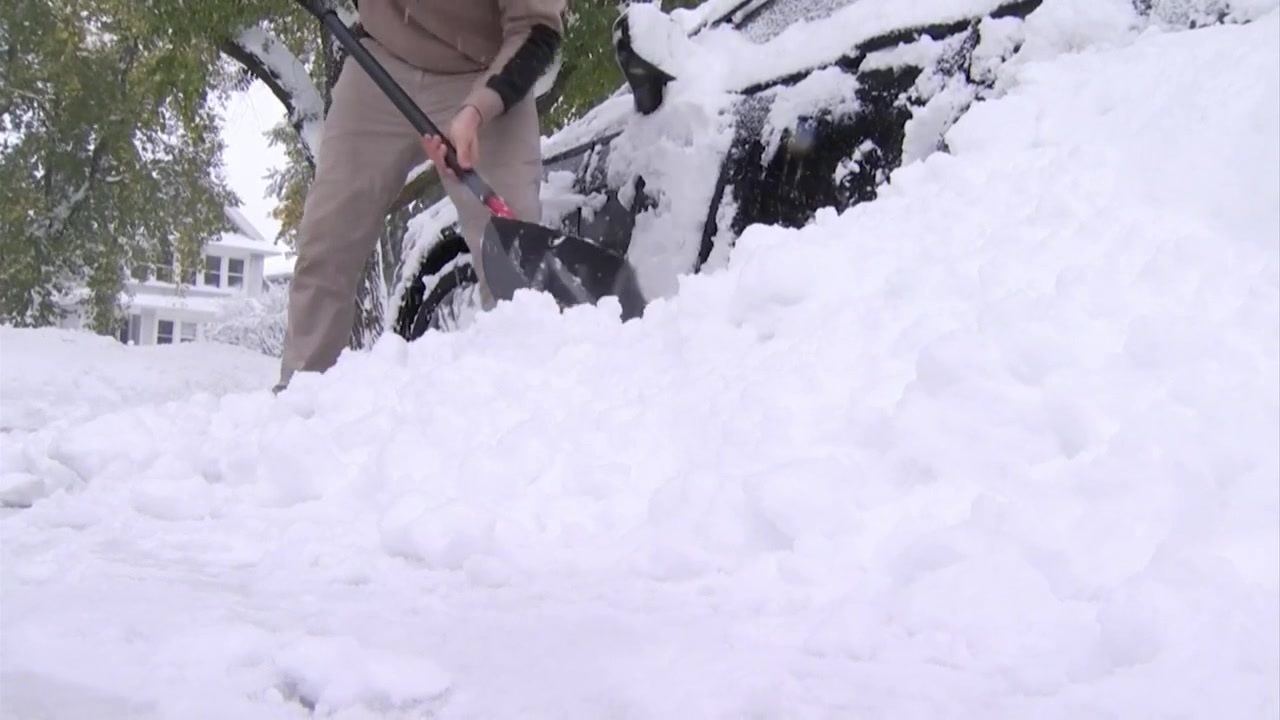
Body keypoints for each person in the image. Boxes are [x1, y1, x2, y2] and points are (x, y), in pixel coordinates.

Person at [275, 0, 565, 393]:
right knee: (327, 244)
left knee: (514, 263)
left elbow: (537, 31)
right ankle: (299, 399)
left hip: (484, 74)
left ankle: (520, 399)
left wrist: (476, 111)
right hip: (382, 58)